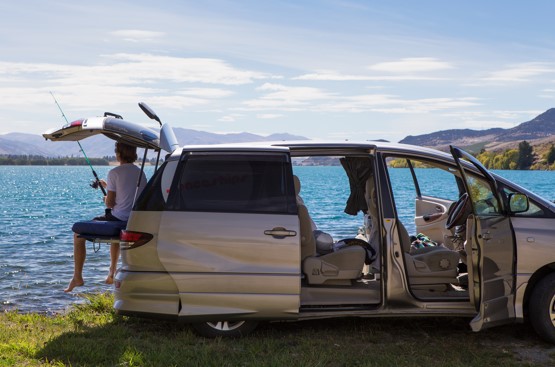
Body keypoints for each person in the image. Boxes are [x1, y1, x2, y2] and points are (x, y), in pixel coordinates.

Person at [64, 142, 147, 292]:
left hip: (118, 220)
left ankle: (77, 277)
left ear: (119, 154)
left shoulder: (114, 172)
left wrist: (106, 197)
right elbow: (128, 194)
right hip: (134, 220)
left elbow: (110, 204)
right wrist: (108, 186)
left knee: (78, 233)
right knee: (113, 228)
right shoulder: (141, 173)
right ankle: (112, 271)